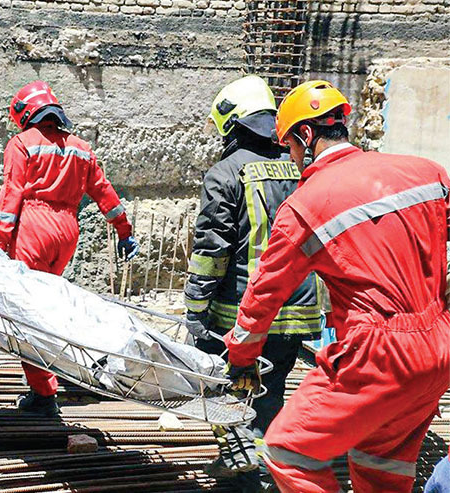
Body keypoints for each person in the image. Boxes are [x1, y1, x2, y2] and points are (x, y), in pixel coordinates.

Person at [223, 80, 450, 492]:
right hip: (438, 351)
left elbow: (265, 293)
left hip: (378, 355)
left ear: (306, 135)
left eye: (291, 147)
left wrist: (241, 354)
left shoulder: (307, 204)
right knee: (380, 467)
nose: (292, 160)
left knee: (286, 450)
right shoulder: (427, 172)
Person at [184, 75, 323, 491]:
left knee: (226, 397)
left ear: (231, 120)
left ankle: (244, 474)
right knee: (270, 394)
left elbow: (211, 252)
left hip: (240, 319)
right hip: (295, 315)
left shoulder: (226, 173)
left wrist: (194, 312)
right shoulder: (302, 168)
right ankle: (260, 468)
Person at [0, 80, 139, 417]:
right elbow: (105, 193)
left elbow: (10, 195)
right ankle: (48, 382)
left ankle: (43, 394)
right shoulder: (81, 148)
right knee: (47, 305)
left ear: (27, 115)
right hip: (67, 231)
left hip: (33, 227)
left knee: (25, 312)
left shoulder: (22, 143)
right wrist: (124, 232)